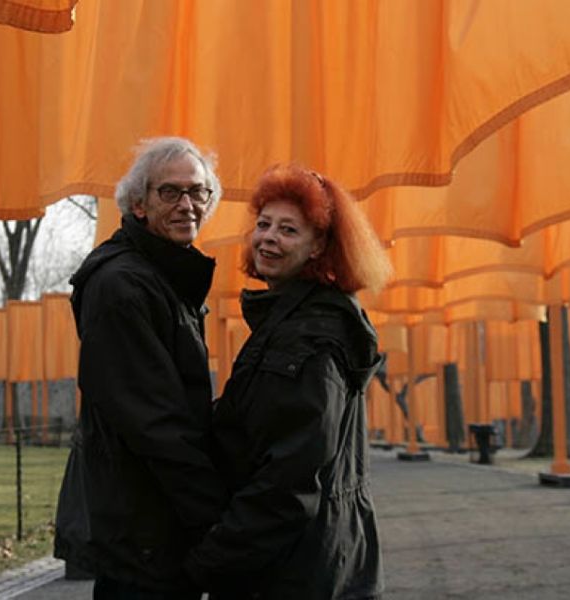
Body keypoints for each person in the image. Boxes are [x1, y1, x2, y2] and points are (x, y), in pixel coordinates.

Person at [185, 164, 391, 599]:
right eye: (263, 224)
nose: (268, 238)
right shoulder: (293, 322)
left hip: (292, 572)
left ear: (319, 246)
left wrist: (212, 559)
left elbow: (292, 477)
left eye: (288, 230)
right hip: (320, 559)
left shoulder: (309, 337)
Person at [54, 137, 228, 599]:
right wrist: (218, 518)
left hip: (154, 522)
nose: (187, 204)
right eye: (170, 192)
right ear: (139, 205)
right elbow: (154, 421)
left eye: (197, 192)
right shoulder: (123, 285)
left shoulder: (162, 276)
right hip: (144, 528)